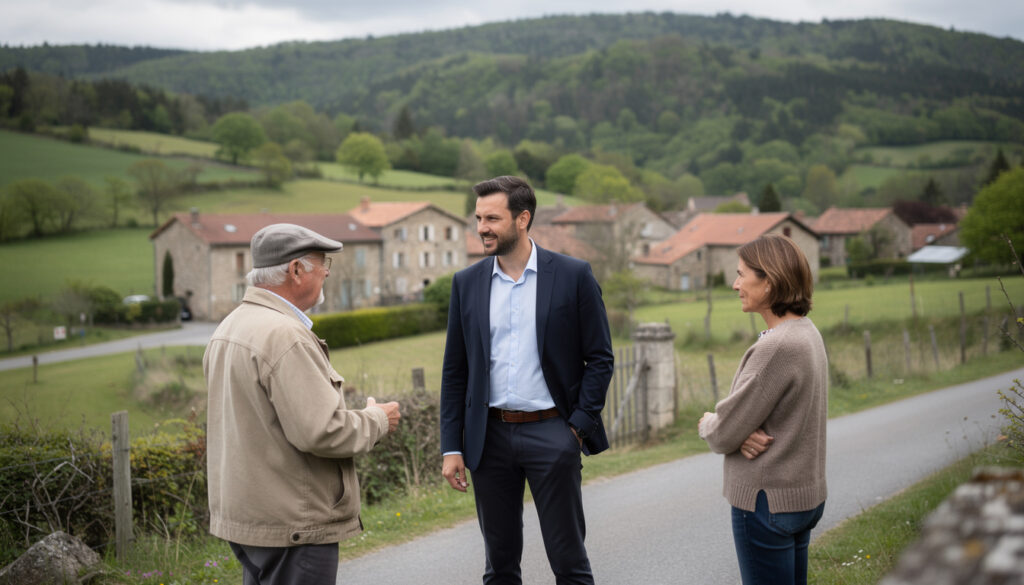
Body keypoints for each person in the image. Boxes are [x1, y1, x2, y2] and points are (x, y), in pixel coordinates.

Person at [204, 223, 401, 585]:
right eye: (322, 262)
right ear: (296, 270)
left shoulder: (230, 327)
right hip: (293, 521)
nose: (327, 271)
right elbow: (322, 431)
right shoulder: (284, 334)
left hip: (252, 520)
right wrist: (378, 419)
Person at [440, 176, 614, 584]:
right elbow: (455, 372)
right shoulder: (466, 284)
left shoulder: (573, 275)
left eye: (492, 218)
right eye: (479, 217)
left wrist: (577, 428)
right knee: (499, 567)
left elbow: (600, 358)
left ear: (522, 218)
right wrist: (451, 446)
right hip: (489, 440)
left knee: (569, 562)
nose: (481, 226)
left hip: (553, 434)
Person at [698, 234, 828, 585]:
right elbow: (768, 417)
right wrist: (740, 432)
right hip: (801, 496)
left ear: (769, 281)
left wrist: (710, 421)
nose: (735, 284)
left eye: (743, 275)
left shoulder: (778, 347)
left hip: (766, 500)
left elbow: (723, 431)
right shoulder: (806, 332)